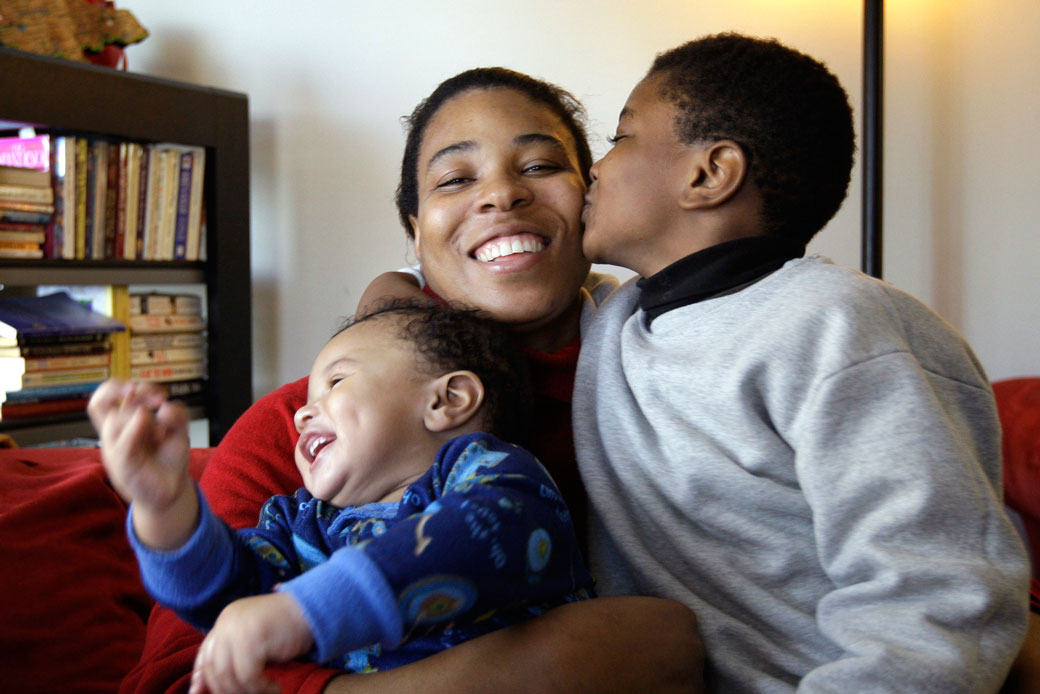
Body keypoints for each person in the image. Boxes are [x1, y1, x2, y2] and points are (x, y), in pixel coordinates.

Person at [117, 67, 703, 694]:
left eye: (537, 166)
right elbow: (202, 648)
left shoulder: (671, 382)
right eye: (455, 178)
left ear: (590, 200)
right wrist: (170, 518)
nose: (502, 195)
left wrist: (300, 614)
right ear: (415, 232)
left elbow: (487, 530)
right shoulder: (309, 436)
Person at [573, 32, 1031, 692]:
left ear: (708, 174)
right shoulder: (613, 322)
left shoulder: (839, 323)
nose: (596, 166)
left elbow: (936, 592)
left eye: (621, 137)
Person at [92, 301, 594, 694]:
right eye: (306, 401)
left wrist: (303, 612)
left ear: (447, 400)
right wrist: (165, 508)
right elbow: (232, 601)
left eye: (335, 382)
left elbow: (479, 536)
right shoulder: (300, 523)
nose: (301, 415)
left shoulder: (496, 479)